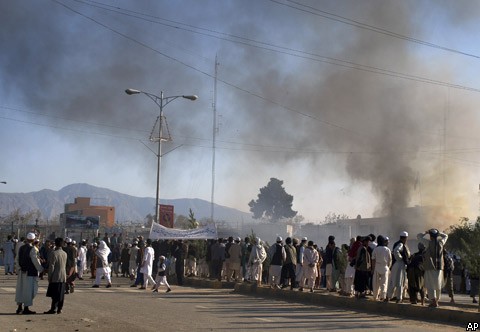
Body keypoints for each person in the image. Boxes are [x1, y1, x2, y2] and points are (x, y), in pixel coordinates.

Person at [417, 228, 448, 308]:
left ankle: (433, 301)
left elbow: (419, 236)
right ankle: (437, 301)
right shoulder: (441, 242)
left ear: (430, 236)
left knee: (430, 285)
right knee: (438, 285)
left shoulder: (428, 243)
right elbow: (446, 236)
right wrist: (439, 233)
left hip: (430, 266)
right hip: (440, 267)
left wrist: (426, 232)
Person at [15, 232, 44, 314]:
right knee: (29, 291)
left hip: (21, 272)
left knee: (20, 290)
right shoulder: (33, 249)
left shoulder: (21, 248)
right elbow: (35, 261)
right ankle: (26, 308)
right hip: (30, 273)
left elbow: (17, 260)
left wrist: (18, 269)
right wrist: (41, 269)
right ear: (33, 239)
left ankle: (19, 307)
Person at [44, 237, 67, 314]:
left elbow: (52, 266)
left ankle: (53, 309)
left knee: (55, 294)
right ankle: (60, 309)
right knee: (61, 293)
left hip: (55, 276)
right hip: (63, 276)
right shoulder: (65, 253)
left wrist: (49, 277)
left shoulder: (54, 253)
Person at [387, 231, 410, 303]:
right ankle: (399, 298)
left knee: (393, 281)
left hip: (395, 265)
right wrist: (400, 258)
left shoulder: (397, 243)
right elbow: (396, 251)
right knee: (400, 281)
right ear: (405, 238)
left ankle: (388, 296)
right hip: (400, 264)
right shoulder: (401, 244)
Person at [371, 235, 391, 301]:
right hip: (385, 267)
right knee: (384, 283)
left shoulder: (375, 249)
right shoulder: (387, 249)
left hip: (377, 266)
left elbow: (373, 260)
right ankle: (383, 296)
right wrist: (388, 267)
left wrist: (373, 269)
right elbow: (390, 260)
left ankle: (375, 296)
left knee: (376, 283)